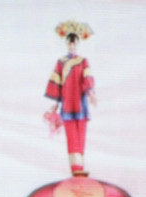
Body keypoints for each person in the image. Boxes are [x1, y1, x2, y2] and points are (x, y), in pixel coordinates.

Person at [45, 20, 97, 176]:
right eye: (70, 44)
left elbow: (87, 78)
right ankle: (75, 169)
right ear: (67, 44)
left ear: (78, 44)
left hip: (81, 103)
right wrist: (55, 104)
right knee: (71, 136)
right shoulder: (61, 63)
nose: (72, 47)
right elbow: (57, 83)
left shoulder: (83, 61)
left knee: (81, 134)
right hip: (67, 103)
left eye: (74, 44)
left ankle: (81, 168)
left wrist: (91, 93)